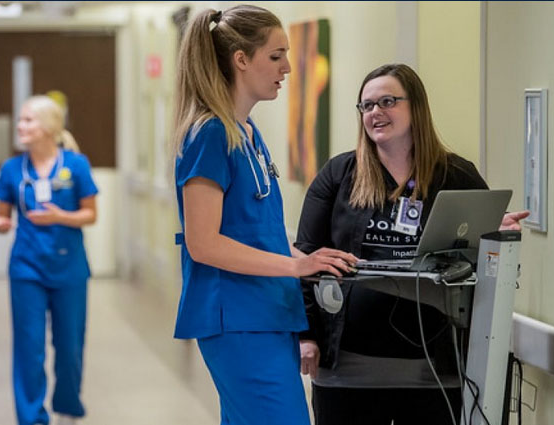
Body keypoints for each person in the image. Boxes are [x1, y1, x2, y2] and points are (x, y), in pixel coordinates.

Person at [294, 63, 529, 425]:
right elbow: (306, 258)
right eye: (367, 106)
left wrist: (493, 231)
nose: (375, 112)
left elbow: (477, 257)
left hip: (434, 371)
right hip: (349, 368)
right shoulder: (339, 176)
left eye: (387, 101)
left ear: (415, 107)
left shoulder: (455, 175)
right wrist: (306, 334)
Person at [171, 5, 358, 424]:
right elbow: (203, 243)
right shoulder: (210, 134)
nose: (287, 67)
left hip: (267, 312)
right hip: (236, 317)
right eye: (275, 56)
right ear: (241, 60)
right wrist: (296, 264)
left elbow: (258, 232)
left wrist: (312, 261)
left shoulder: (248, 134)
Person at [0, 95, 97, 425]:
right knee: (29, 347)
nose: (20, 127)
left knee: (69, 348)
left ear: (49, 127)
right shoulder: (11, 169)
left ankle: (68, 406)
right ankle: (32, 417)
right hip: (27, 268)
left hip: (70, 269)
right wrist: (2, 224)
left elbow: (90, 214)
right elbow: (3, 216)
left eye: (27, 121)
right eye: (20, 121)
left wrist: (62, 216)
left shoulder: (76, 165)